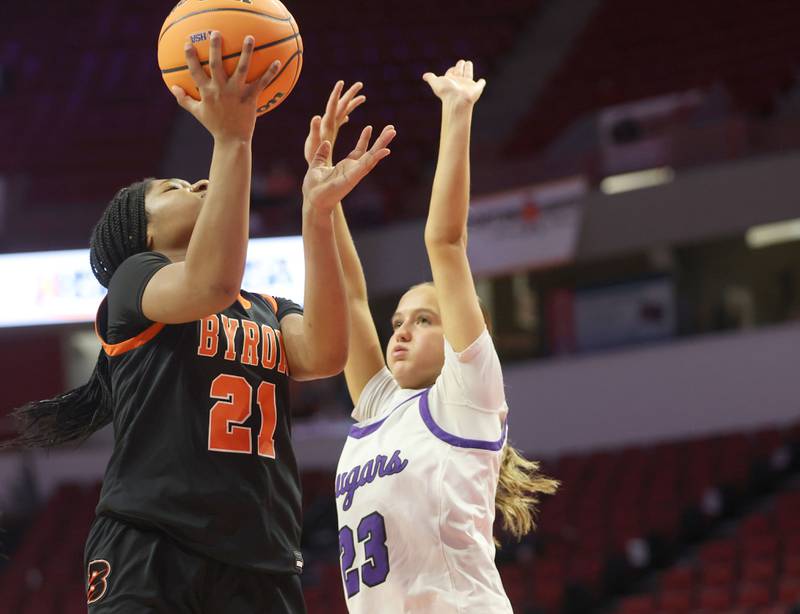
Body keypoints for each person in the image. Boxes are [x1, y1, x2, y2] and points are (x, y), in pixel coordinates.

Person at [3, 34, 394, 613]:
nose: (202, 184)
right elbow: (212, 283)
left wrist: (317, 213)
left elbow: (326, 354)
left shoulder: (264, 307)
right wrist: (232, 138)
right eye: (175, 188)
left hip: (261, 557)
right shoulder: (135, 283)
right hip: (153, 545)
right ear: (146, 234)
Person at [303, 63, 558, 612]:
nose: (401, 332)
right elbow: (348, 299)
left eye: (424, 320)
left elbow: (444, 241)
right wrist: (323, 205)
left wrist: (457, 112)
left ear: (465, 337)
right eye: (397, 322)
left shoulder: (468, 394)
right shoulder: (377, 404)